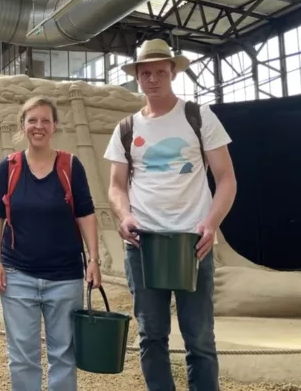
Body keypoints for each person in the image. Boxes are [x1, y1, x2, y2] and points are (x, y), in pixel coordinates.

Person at [104, 38, 237, 391]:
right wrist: (124, 216)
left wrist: (211, 224)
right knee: (151, 335)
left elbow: (226, 179)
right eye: (145, 72)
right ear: (137, 77)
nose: (152, 79)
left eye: (160, 71)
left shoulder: (199, 116)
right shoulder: (126, 129)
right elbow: (116, 185)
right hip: (143, 243)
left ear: (173, 72)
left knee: (200, 339)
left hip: (192, 242)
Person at [0, 96, 102, 391]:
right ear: (23, 125)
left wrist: (93, 259)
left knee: (63, 354)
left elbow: (85, 213)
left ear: (55, 126)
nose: (39, 126)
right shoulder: (8, 168)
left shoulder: (70, 166)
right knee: (23, 356)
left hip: (65, 277)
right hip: (18, 275)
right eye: (32, 120)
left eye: (45, 121)